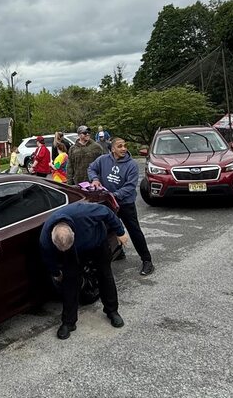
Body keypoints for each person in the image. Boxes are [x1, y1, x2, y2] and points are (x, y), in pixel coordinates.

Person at [39, 201, 130, 338]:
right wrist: (56, 273)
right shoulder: (45, 238)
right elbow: (48, 258)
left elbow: (107, 212)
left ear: (73, 234)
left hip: (96, 242)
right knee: (69, 282)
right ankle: (68, 322)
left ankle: (112, 311)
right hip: (72, 253)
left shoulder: (83, 212)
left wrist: (120, 232)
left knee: (105, 275)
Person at [88, 138, 154, 276]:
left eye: (124, 146)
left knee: (134, 231)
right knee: (108, 229)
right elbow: (91, 168)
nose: (124, 149)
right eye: (120, 146)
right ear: (112, 149)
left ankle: (147, 261)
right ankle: (118, 252)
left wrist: (114, 195)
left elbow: (130, 187)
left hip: (125, 204)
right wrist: (95, 179)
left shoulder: (132, 165)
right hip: (109, 203)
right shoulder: (103, 160)